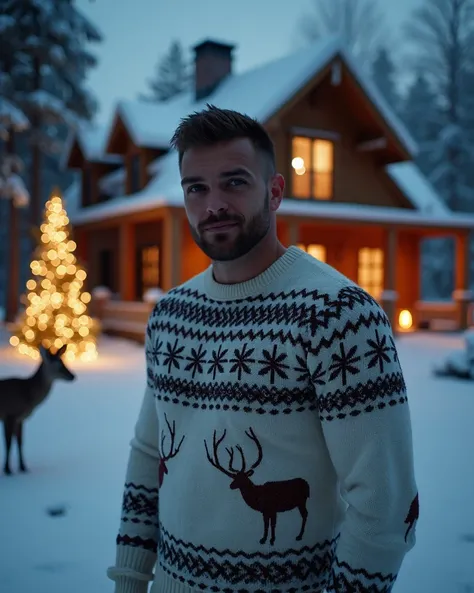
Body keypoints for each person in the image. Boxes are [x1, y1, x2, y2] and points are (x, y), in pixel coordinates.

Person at [107, 105, 418, 593]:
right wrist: (129, 579)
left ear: (274, 192)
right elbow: (150, 455)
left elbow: (387, 503)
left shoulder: (337, 315)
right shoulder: (170, 314)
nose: (213, 205)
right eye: (197, 187)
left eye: (234, 182)